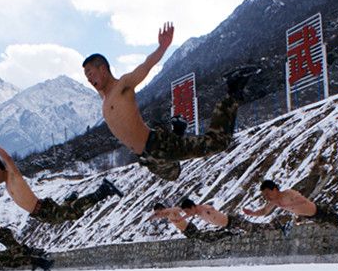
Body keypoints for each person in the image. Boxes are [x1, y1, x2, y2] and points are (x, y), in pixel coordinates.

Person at [82, 22, 261, 181]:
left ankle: (233, 90)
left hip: (158, 144)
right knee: (173, 173)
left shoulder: (123, 85)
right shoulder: (104, 97)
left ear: (103, 69)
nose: (89, 79)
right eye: (86, 76)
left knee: (218, 143)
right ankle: (177, 131)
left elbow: (145, 66)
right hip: (147, 156)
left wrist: (162, 47)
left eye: (90, 73)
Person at [0, 140, 123, 224]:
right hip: (39, 214)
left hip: (43, 208)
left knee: (72, 213)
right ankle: (69, 200)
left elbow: (7, 159)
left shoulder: (13, 176)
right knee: (65, 216)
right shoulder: (6, 182)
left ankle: (103, 190)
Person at [242, 180, 338, 234]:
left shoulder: (288, 194)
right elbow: (264, 211)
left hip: (321, 212)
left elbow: (302, 201)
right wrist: (251, 213)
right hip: (315, 218)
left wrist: (293, 212)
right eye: (264, 195)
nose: (267, 197)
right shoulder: (274, 202)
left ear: (275, 189)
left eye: (267, 193)